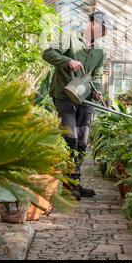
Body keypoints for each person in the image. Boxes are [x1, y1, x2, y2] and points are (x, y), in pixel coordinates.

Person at [42, 11, 112, 200]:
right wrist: (68, 61)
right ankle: (68, 184)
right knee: (70, 138)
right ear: (92, 24)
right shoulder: (70, 39)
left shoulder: (99, 52)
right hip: (65, 96)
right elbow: (47, 53)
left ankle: (76, 182)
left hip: (85, 99)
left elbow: (96, 76)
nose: (105, 32)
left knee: (82, 141)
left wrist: (97, 91)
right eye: (103, 28)